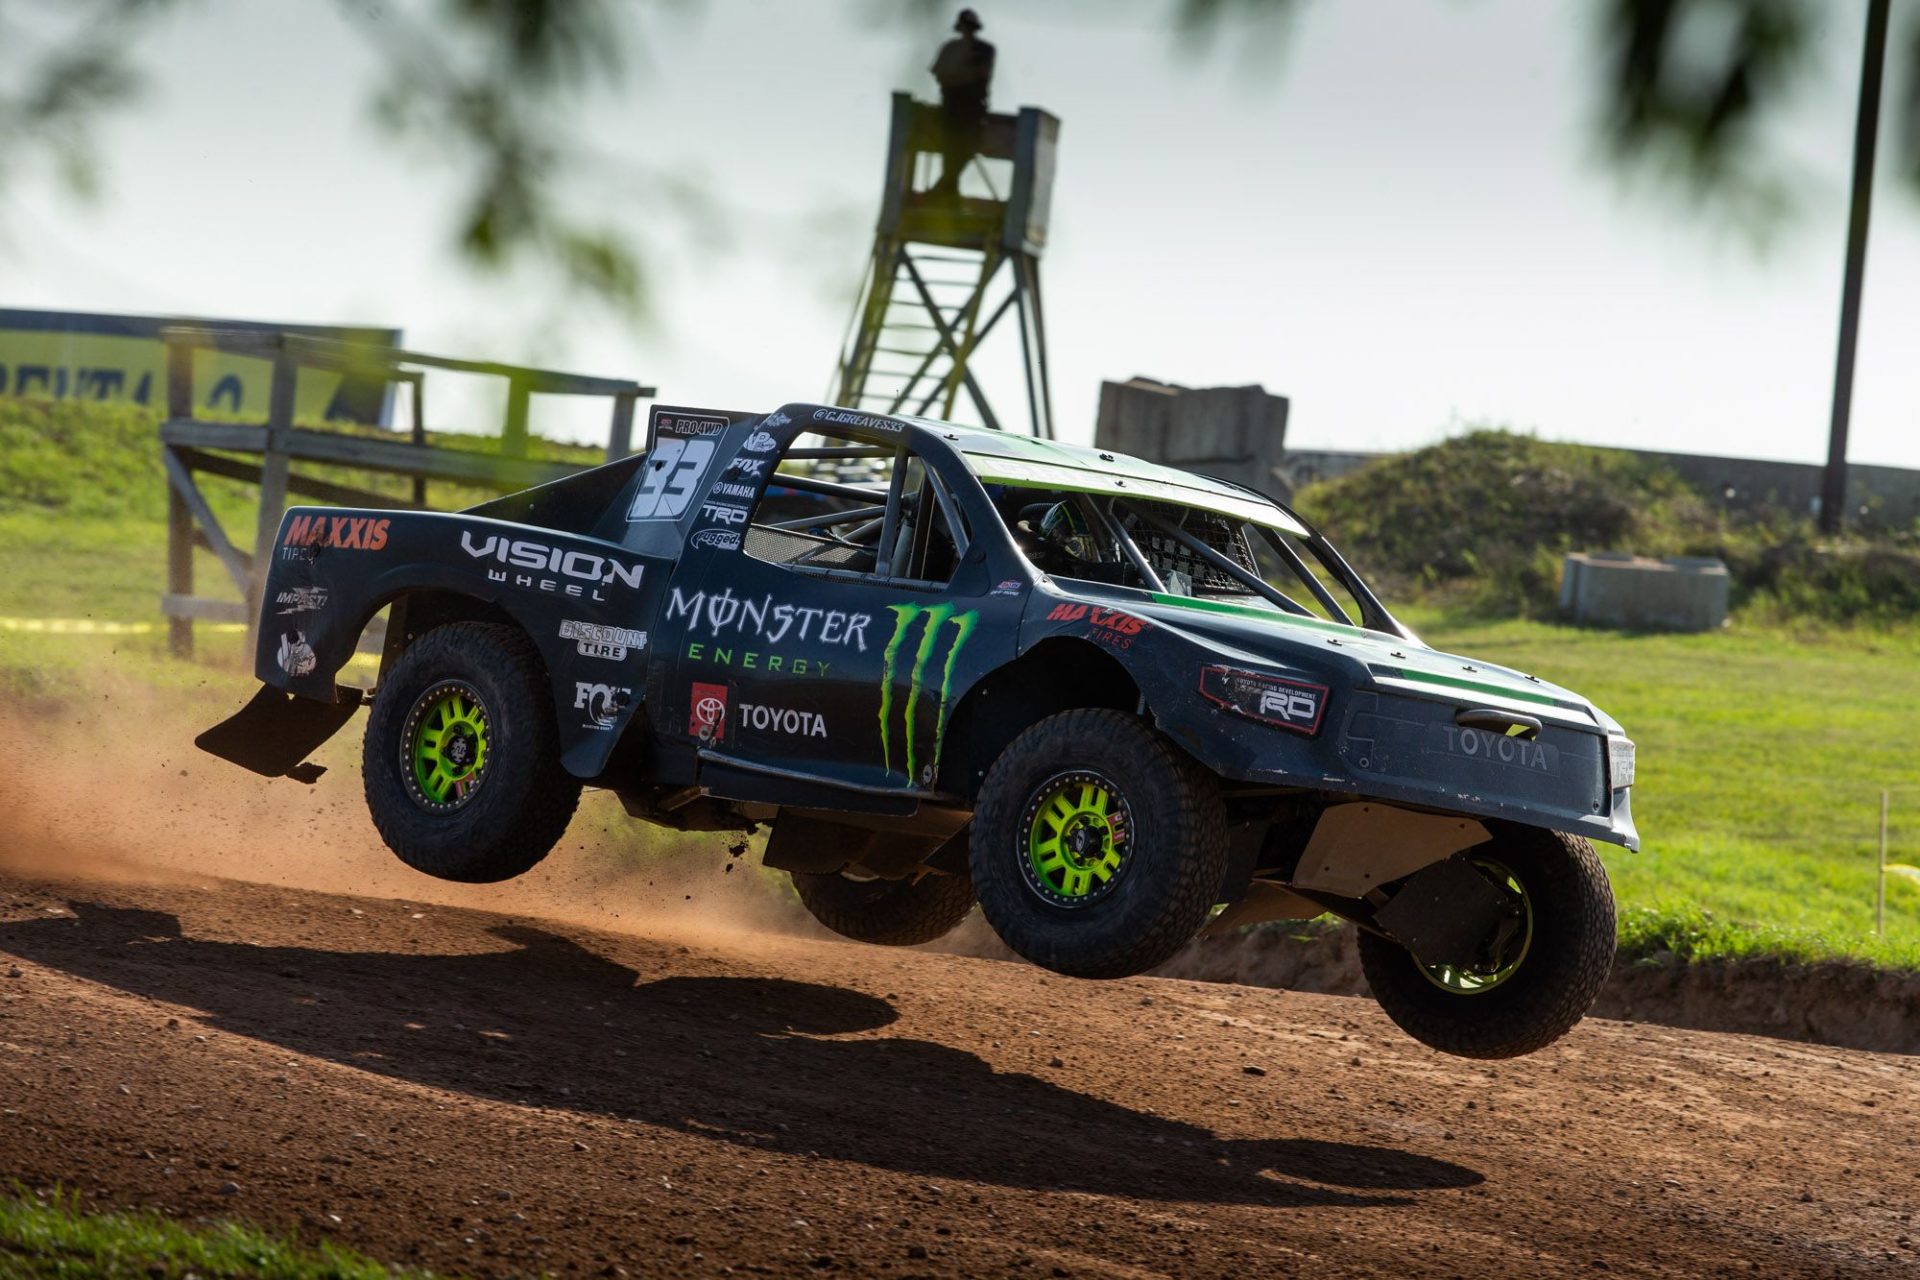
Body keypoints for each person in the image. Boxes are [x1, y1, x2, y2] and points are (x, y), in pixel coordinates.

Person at [928, 9, 995, 201]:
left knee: (968, 147)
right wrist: (962, 77)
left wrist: (958, 77)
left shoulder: (985, 49)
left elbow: (982, 74)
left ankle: (943, 187)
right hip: (952, 106)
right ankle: (948, 191)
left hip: (973, 107)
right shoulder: (950, 48)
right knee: (950, 149)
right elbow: (940, 75)